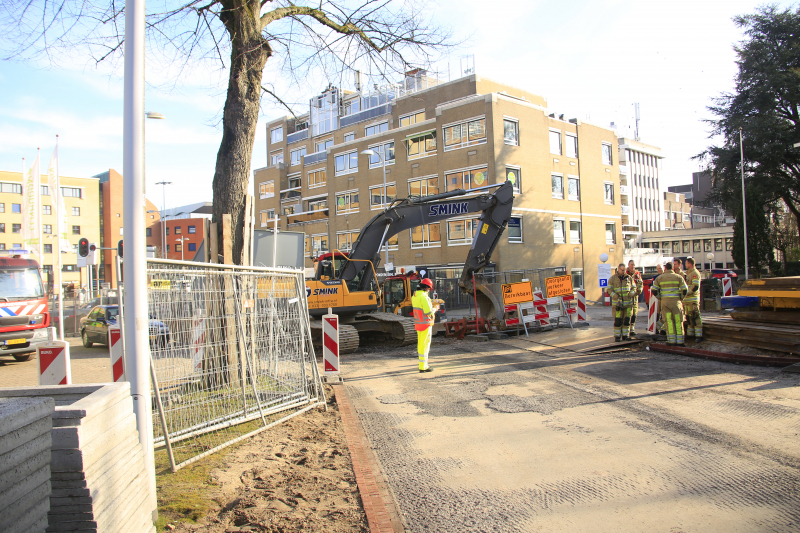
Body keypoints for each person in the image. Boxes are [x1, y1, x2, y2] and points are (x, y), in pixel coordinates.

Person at [652, 262, 688, 346]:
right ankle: (680, 341)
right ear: (672, 268)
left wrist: (660, 297)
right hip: (676, 303)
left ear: (665, 268)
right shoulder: (678, 277)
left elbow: (654, 290)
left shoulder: (660, 278)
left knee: (669, 321)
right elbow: (685, 289)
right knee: (678, 321)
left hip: (665, 304)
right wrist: (681, 298)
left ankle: (671, 341)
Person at [411, 278, 439, 373]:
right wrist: (435, 308)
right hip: (425, 324)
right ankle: (423, 367)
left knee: (421, 344)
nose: (429, 290)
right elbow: (428, 312)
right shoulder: (424, 297)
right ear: (426, 287)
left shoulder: (414, 296)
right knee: (425, 345)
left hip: (418, 323)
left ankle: (422, 365)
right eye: (429, 288)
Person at [608, 263, 635, 342]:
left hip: (628, 304)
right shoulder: (612, 279)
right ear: (618, 269)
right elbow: (609, 290)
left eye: (625, 270)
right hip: (618, 305)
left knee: (627, 320)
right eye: (622, 270)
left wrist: (631, 293)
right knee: (618, 321)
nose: (623, 272)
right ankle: (617, 336)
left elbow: (634, 287)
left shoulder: (629, 278)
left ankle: (625, 335)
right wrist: (615, 296)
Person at [683, 257, 703, 341]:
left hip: (693, 300)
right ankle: (690, 335)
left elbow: (695, 287)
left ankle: (699, 336)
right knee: (689, 318)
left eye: (686, 263)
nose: (685, 265)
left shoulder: (695, 273)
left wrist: (686, 293)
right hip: (687, 301)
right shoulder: (688, 273)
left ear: (690, 264)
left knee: (695, 317)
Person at [626, 260, 643, 338]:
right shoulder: (626, 273)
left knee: (634, 314)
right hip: (628, 297)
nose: (633, 266)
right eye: (631, 264)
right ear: (628, 265)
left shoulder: (637, 274)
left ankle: (632, 330)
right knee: (628, 314)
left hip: (635, 297)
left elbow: (640, 283)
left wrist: (639, 291)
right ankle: (626, 331)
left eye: (634, 265)